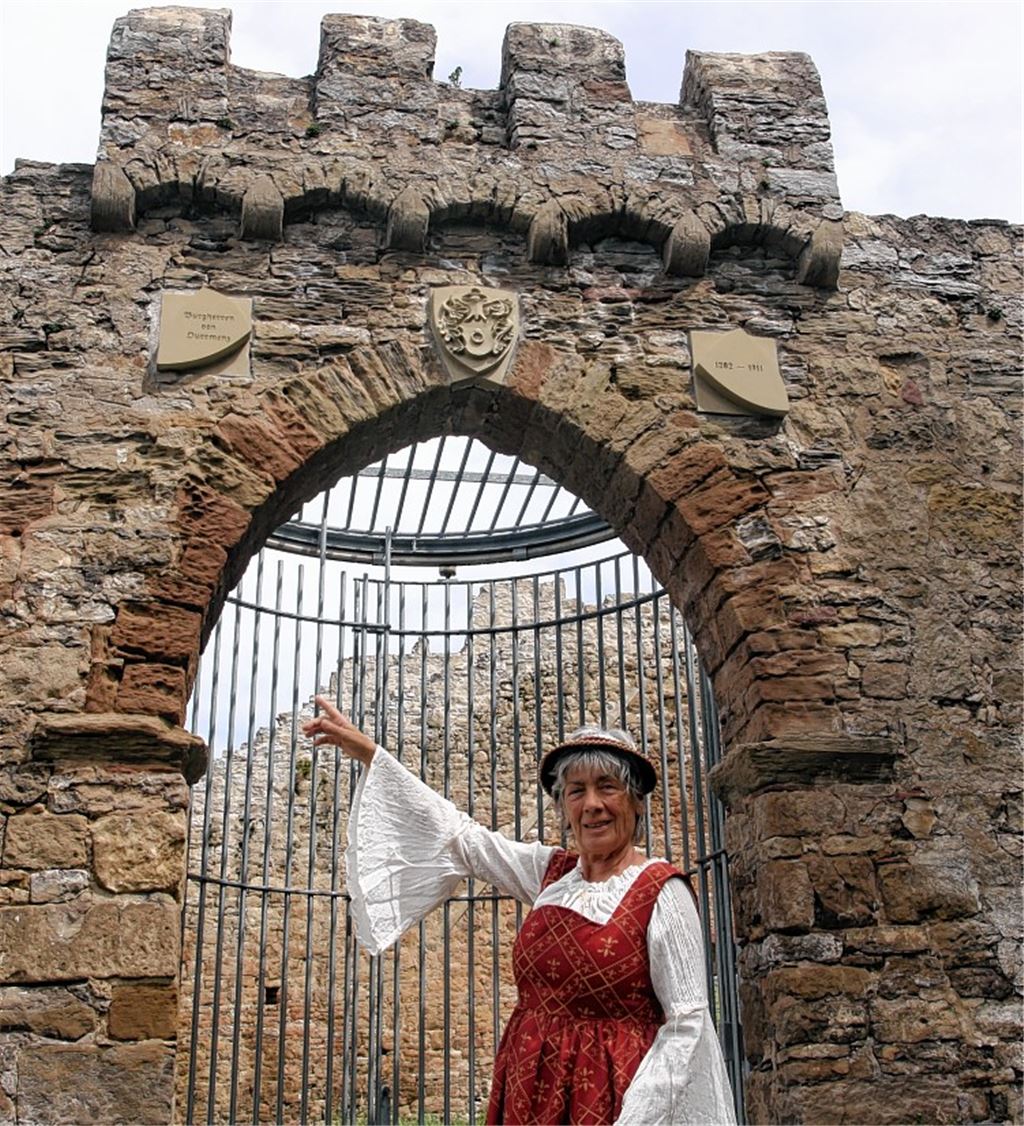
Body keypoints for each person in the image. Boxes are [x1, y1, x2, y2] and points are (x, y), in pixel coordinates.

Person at [303, 695, 737, 1126]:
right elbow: (463, 839)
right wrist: (370, 754)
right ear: (563, 807)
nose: (592, 804)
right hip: (529, 1085)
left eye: (608, 786)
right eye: (576, 791)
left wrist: (636, 1118)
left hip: (612, 1094)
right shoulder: (550, 874)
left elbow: (687, 1023)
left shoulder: (661, 891)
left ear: (636, 802)